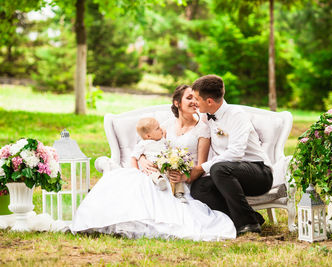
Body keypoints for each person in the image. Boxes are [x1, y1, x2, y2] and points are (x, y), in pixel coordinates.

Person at [69, 84, 236, 241]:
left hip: (180, 179)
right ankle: (115, 220)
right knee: (129, 180)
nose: (194, 101)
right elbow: (147, 145)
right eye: (189, 98)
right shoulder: (165, 126)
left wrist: (183, 176)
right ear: (177, 103)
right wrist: (142, 161)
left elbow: (201, 166)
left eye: (195, 98)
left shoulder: (203, 129)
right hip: (156, 173)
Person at [170, 75, 273, 236]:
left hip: (258, 173)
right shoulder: (206, 116)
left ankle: (248, 225)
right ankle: (251, 218)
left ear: (209, 101)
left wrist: (201, 168)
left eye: (197, 99)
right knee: (199, 188)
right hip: (227, 174)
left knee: (218, 168)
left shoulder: (236, 115)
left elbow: (236, 153)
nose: (195, 103)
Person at [131, 117, 187, 203]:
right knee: (152, 173)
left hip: (165, 165)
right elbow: (134, 157)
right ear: (148, 136)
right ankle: (160, 181)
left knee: (175, 175)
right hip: (152, 166)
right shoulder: (143, 144)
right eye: (157, 128)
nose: (161, 129)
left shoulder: (162, 140)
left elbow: (168, 146)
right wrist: (136, 171)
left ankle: (179, 193)